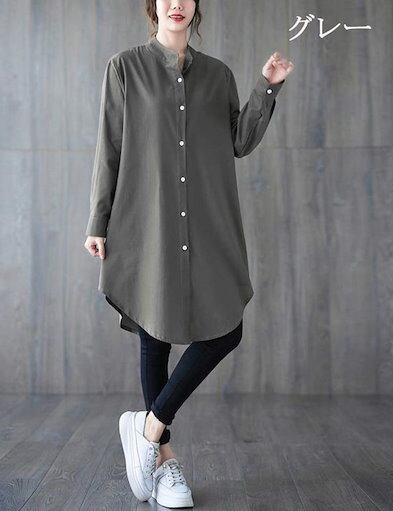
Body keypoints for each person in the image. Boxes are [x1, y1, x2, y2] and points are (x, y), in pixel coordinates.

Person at [84, 0, 294, 507]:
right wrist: (97, 221)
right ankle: (165, 463)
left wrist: (267, 86)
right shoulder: (124, 68)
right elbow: (109, 146)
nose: (176, 3)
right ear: (153, 6)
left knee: (226, 330)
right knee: (154, 333)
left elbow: (240, 141)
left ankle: (149, 429)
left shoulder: (218, 75)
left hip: (208, 224)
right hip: (145, 222)